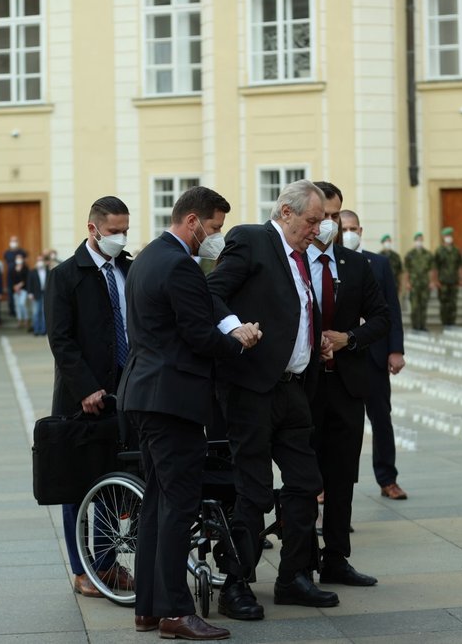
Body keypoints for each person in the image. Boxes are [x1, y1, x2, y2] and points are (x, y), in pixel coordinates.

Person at [119, 186, 259, 640]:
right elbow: (199, 335)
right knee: (178, 505)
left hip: (147, 395)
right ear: (193, 220)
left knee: (159, 503)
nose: (215, 237)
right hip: (172, 399)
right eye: (215, 227)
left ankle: (149, 608)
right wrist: (238, 343)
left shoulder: (147, 257)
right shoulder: (179, 263)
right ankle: (177, 612)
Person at [207, 179, 337, 619]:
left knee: (305, 482)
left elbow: (296, 310)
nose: (317, 230)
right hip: (251, 389)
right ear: (285, 212)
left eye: (320, 222)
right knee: (254, 488)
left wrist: (313, 343)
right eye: (311, 221)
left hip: (293, 388)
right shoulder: (251, 239)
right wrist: (234, 328)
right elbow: (212, 292)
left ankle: (294, 577)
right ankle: (235, 583)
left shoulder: (300, 256)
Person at [45, 196, 135, 598]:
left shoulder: (129, 269)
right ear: (92, 229)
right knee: (79, 485)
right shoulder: (65, 276)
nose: (120, 237)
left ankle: (108, 563)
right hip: (82, 398)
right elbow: (61, 340)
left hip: (125, 392)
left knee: (115, 483)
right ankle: (84, 569)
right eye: (114, 231)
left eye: (125, 231)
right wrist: (85, 388)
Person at [307, 183, 389, 590]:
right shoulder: (292, 260)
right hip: (301, 387)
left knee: (341, 477)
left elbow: (381, 318)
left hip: (346, 384)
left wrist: (348, 339)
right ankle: (301, 558)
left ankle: (336, 557)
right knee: (303, 475)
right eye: (323, 216)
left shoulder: (355, 265)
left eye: (336, 216)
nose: (331, 224)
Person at [340, 211, 408, 500]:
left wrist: (396, 350)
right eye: (345, 228)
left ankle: (387, 479)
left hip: (376, 355)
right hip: (343, 356)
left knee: (381, 419)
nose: (350, 233)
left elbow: (391, 309)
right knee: (341, 425)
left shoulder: (378, 263)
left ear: (361, 230)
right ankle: (331, 485)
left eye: (354, 228)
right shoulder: (328, 262)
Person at [431, 227, 461, 326]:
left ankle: (452, 322)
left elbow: (459, 265)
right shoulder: (439, 251)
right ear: (443, 237)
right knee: (444, 303)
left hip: (453, 280)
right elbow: (435, 267)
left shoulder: (456, 250)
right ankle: (445, 322)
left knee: (453, 303)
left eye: (450, 236)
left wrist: (460, 278)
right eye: (447, 236)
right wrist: (435, 280)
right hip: (443, 281)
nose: (449, 238)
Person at [403, 233, 433, 330]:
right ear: (415, 241)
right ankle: (415, 325)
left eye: (420, 240)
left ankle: (423, 325)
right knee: (415, 306)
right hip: (414, 284)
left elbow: (431, 269)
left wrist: (431, 281)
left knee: (423, 305)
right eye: (417, 240)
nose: (419, 241)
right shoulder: (410, 255)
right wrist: (407, 282)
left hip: (424, 283)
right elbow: (406, 270)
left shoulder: (427, 254)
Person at [27, 256, 48, 336]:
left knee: (44, 313)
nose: (40, 262)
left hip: (45, 294)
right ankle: (36, 330)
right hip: (36, 294)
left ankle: (44, 330)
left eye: (41, 260)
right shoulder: (33, 272)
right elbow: (29, 283)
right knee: (36, 313)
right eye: (38, 260)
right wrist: (30, 293)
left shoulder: (48, 271)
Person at [8, 254, 30, 329]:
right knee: (17, 306)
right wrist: (15, 287)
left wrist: (19, 286)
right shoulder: (12, 268)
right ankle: (19, 320)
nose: (19, 259)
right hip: (15, 290)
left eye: (20, 258)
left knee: (22, 304)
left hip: (23, 289)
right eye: (17, 258)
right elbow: (10, 279)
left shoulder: (25, 268)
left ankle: (26, 319)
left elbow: (27, 279)